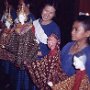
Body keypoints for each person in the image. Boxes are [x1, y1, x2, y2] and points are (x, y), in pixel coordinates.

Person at [2, 4, 38, 90]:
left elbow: (34, 44)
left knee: (22, 81)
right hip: (16, 55)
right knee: (15, 78)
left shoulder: (30, 27)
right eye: (19, 15)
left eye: (23, 16)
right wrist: (6, 40)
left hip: (24, 58)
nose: (21, 17)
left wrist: (27, 57)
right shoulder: (16, 26)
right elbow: (12, 41)